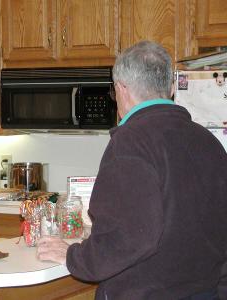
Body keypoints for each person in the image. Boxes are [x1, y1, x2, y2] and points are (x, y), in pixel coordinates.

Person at [36, 41, 227, 300]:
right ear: (171, 88)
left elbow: (128, 236)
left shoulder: (130, 142)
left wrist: (73, 257)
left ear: (121, 88)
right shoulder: (208, 142)